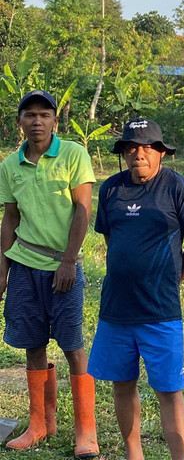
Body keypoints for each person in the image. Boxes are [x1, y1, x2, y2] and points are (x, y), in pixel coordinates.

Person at [87, 118, 184, 460]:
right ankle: (133, 453)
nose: (138, 154)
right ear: (124, 153)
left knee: (169, 391)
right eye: (131, 148)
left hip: (160, 312)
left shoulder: (177, 188)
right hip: (116, 311)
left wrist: (172, 278)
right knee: (122, 385)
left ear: (160, 152)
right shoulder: (111, 189)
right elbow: (112, 240)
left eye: (147, 148)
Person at [0, 90, 99, 458]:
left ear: (55, 121)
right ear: (20, 122)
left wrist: (69, 261)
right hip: (25, 266)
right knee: (33, 344)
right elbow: (10, 218)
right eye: (30, 115)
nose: (37, 121)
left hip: (63, 267)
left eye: (44, 115)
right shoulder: (10, 166)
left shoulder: (73, 154)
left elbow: (82, 210)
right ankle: (41, 423)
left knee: (73, 346)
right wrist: (2, 270)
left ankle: (86, 430)